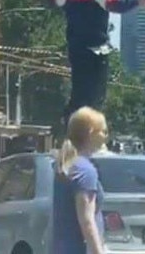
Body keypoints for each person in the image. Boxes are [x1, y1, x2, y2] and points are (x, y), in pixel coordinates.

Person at [50, 0, 145, 123]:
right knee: (96, 94)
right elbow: (114, 5)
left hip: (75, 47)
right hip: (95, 48)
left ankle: (70, 122)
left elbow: (58, 0)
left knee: (79, 90)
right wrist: (139, 1)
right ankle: (87, 128)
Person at [52, 107, 108, 254]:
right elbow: (87, 220)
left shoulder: (68, 165)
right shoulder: (85, 171)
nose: (105, 136)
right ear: (90, 133)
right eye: (102, 131)